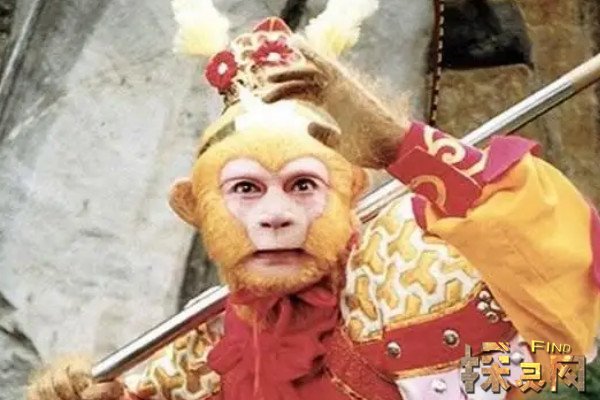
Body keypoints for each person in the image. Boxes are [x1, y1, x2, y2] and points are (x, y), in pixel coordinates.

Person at [27, 2, 600, 399]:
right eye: (245, 189)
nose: (276, 216)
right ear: (194, 208)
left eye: (303, 185)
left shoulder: (408, 264)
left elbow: (565, 321)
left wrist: (401, 145)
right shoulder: (204, 339)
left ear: (352, 191)